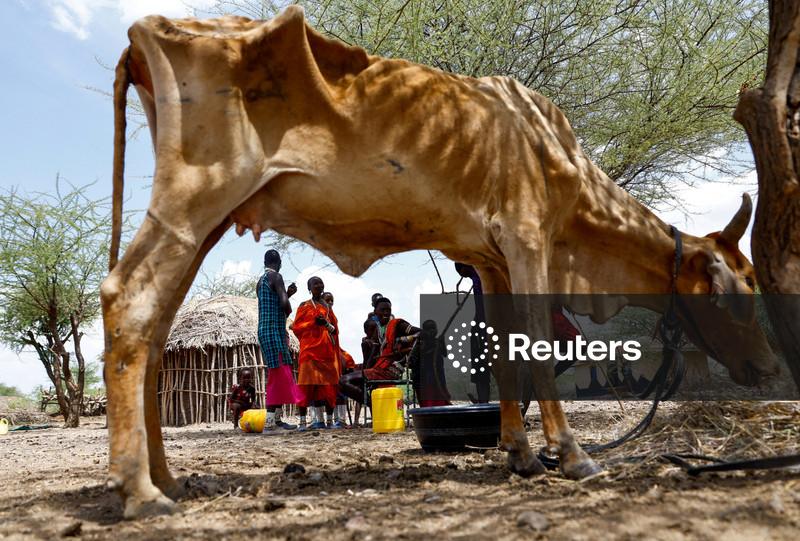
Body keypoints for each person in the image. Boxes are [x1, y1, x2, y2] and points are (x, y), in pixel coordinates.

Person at [257, 249, 301, 432]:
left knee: (279, 372)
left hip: (266, 331)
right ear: (279, 262)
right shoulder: (277, 277)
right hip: (274, 331)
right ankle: (270, 424)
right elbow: (284, 306)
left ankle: (276, 420)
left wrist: (286, 294)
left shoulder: (260, 281)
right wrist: (288, 299)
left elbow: (273, 303)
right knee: (279, 373)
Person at [293, 277, 341, 430]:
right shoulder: (304, 306)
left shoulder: (327, 306)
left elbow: (335, 330)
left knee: (328, 387)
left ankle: (328, 422)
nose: (319, 285)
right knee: (305, 386)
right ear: (309, 288)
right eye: (315, 283)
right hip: (309, 352)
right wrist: (313, 323)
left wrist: (325, 324)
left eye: (321, 283)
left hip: (326, 353)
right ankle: (302, 422)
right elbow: (296, 327)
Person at [455, 262, 490, 403]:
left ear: (464, 267)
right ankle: (483, 401)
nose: (461, 275)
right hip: (483, 322)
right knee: (481, 366)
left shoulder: (477, 277)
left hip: (485, 324)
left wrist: (482, 326)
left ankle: (483, 400)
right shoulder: (481, 274)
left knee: (482, 365)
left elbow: (482, 305)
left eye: (460, 271)